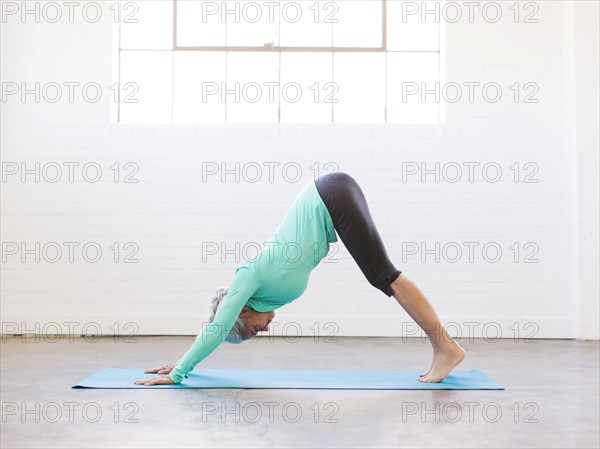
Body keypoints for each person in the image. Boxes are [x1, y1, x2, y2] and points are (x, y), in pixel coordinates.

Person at [134, 171, 465, 386]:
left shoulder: (246, 277)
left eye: (252, 329)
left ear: (242, 312)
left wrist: (179, 371)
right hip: (333, 197)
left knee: (384, 276)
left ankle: (446, 346)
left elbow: (217, 329)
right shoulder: (265, 294)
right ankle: (440, 347)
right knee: (381, 276)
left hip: (330, 196)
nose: (264, 329)